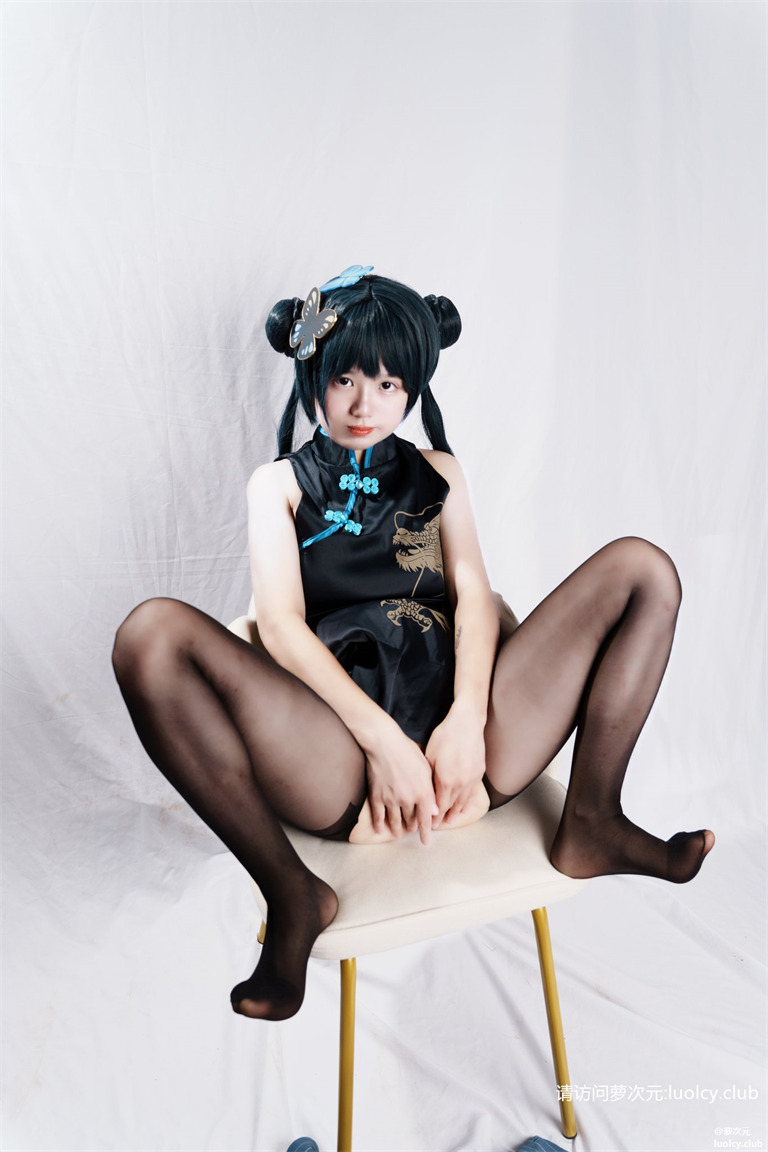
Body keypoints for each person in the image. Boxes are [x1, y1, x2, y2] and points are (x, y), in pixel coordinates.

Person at [111, 267, 714, 1023]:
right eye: (346, 379)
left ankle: (592, 819)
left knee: (643, 569)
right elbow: (283, 630)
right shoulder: (278, 487)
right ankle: (292, 891)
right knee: (150, 635)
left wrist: (466, 722)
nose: (365, 405)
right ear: (314, 375)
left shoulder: (439, 474)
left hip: (472, 747)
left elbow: (475, 602)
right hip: (341, 752)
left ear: (414, 388)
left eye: (389, 383)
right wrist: (386, 746)